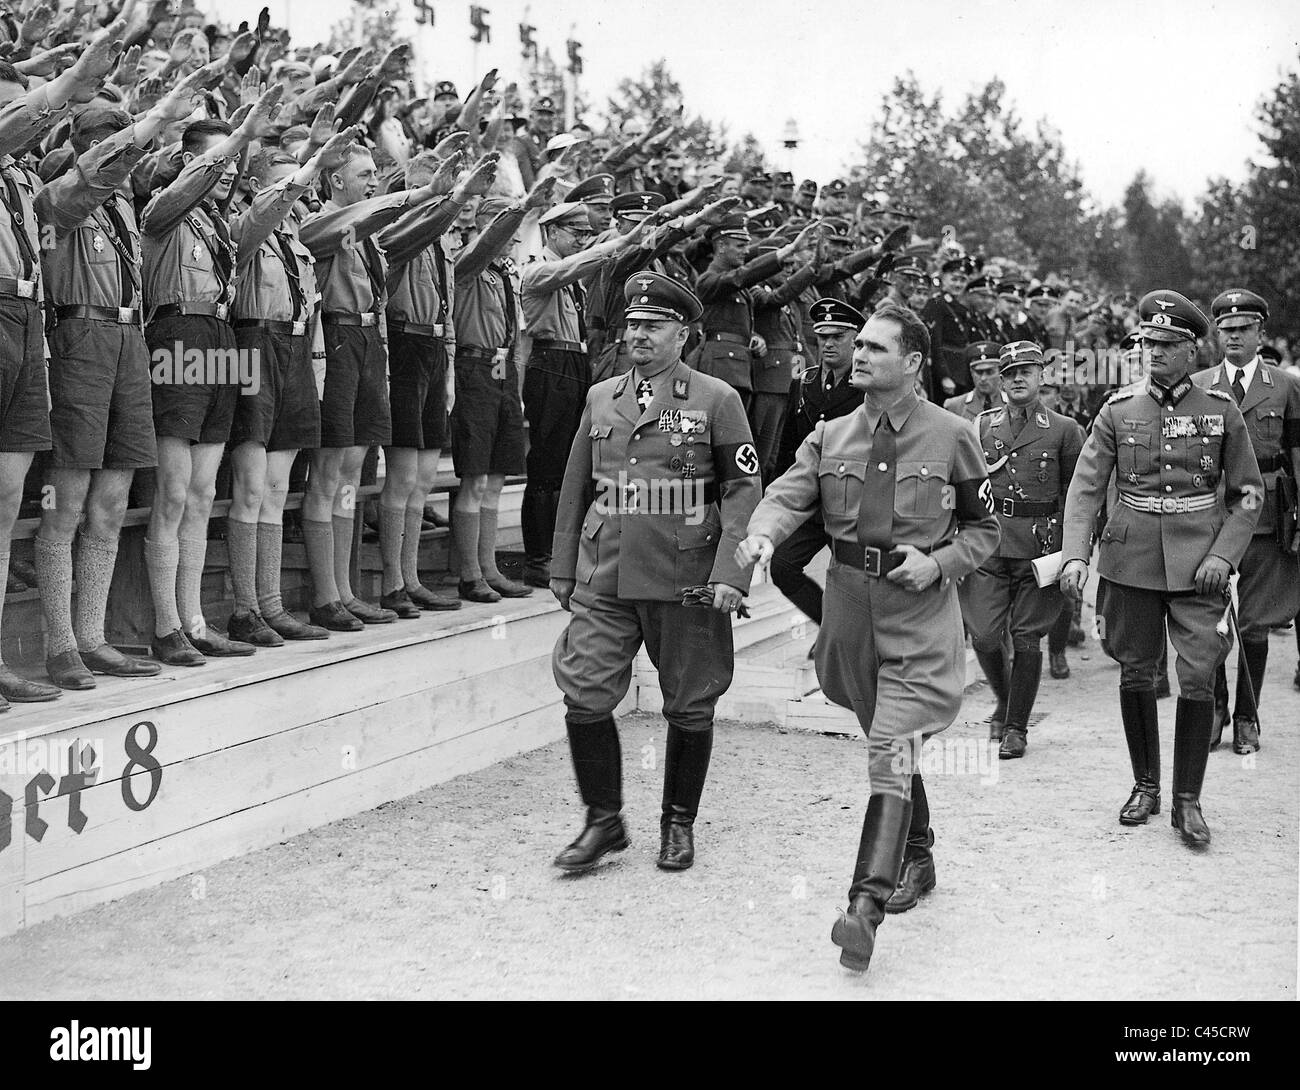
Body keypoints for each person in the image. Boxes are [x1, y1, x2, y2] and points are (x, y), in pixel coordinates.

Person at [737, 302, 1000, 973]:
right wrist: (763, 534)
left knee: (890, 745)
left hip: (918, 616)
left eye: (876, 347)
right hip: (851, 614)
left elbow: (984, 531)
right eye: (858, 345)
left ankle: (864, 908)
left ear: (912, 362)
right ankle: (920, 852)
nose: (858, 354)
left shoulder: (953, 435)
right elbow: (788, 495)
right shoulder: (830, 434)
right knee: (891, 743)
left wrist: (938, 563)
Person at [550, 272, 761, 874]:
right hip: (606, 569)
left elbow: (743, 489)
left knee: (691, 702)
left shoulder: (716, 398)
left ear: (683, 334)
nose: (638, 335)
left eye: (653, 325)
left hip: (685, 572)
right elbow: (575, 482)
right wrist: (563, 564)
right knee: (585, 690)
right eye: (632, 325)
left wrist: (731, 574)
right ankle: (603, 820)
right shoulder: (601, 396)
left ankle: (677, 823)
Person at [1060, 290, 1262, 849]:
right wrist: (1076, 554)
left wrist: (1224, 554)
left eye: (1169, 344)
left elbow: (1248, 494)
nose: (1156, 352)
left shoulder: (1220, 410)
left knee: (1197, 674)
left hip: (1202, 565)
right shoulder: (1117, 409)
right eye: (1150, 343)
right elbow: (1085, 489)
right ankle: (1145, 786)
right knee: (1136, 672)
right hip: (1130, 561)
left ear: (1193, 349)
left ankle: (1187, 800)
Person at [140, 90, 285, 664]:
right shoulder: (166, 209)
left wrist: (304, 168)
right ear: (189, 162)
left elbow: (265, 213)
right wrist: (238, 138)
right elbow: (182, 190)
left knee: (203, 494)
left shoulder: (221, 226)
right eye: (216, 161)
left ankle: (194, 620)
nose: (227, 173)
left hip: (224, 339)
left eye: (233, 163)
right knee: (174, 492)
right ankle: (165, 625)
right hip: (178, 334)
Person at [959, 341, 1084, 757]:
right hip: (990, 544)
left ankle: (1016, 727)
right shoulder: (981, 426)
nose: (1016, 380)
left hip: (1040, 547)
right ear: (1000, 380)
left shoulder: (1065, 429)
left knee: (1027, 637)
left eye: (1025, 372)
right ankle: (1006, 698)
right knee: (984, 635)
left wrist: (1073, 551)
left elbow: (1077, 496)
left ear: (1041, 376)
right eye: (1009, 373)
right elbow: (965, 487)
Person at [518, 200, 643, 588]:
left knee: (569, 465)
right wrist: (618, 243)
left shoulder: (570, 277)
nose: (582, 240)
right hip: (550, 362)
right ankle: (539, 555)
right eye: (576, 233)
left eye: (587, 234)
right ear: (552, 232)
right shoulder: (540, 269)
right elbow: (572, 266)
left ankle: (560, 551)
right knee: (547, 464)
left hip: (573, 362)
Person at [1196, 289, 1300, 753]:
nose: (1234, 337)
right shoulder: (1199, 385)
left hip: (1266, 513)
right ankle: (1216, 707)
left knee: (1255, 624)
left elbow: (1297, 453)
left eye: (1243, 329)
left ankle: (1246, 717)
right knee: (1209, 618)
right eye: (1226, 330)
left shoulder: (1286, 387)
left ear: (1260, 333)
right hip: (1212, 515)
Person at [768, 297, 866, 628]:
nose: (828, 344)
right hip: (812, 501)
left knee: (856, 579)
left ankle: (852, 637)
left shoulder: (868, 386)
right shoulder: (804, 383)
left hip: (853, 503)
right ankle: (833, 627)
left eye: (838, 336)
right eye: (823, 337)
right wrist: (779, 498)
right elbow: (788, 445)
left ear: (856, 340)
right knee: (782, 566)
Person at [943, 342, 1008, 420]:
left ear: (1000, 372)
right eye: (979, 372)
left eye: (989, 372)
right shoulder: (954, 406)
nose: (983, 378)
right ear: (971, 373)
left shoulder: (1012, 403)